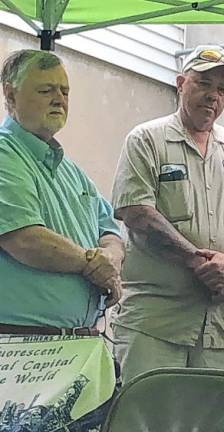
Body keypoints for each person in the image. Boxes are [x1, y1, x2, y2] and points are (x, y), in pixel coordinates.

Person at [111, 45, 224, 383]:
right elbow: (136, 211)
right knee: (151, 417)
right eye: (203, 83)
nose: (213, 96)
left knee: (215, 419)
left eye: (222, 89)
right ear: (181, 83)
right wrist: (195, 260)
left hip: (222, 327)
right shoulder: (146, 140)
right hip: (156, 322)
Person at [0, 49, 123, 429]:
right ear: (10, 95)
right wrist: (93, 263)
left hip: (77, 355)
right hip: (19, 356)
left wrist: (110, 261)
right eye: (46, 90)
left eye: (65, 91)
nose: (59, 99)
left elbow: (113, 231)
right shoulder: (5, 155)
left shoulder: (72, 171)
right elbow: (24, 239)